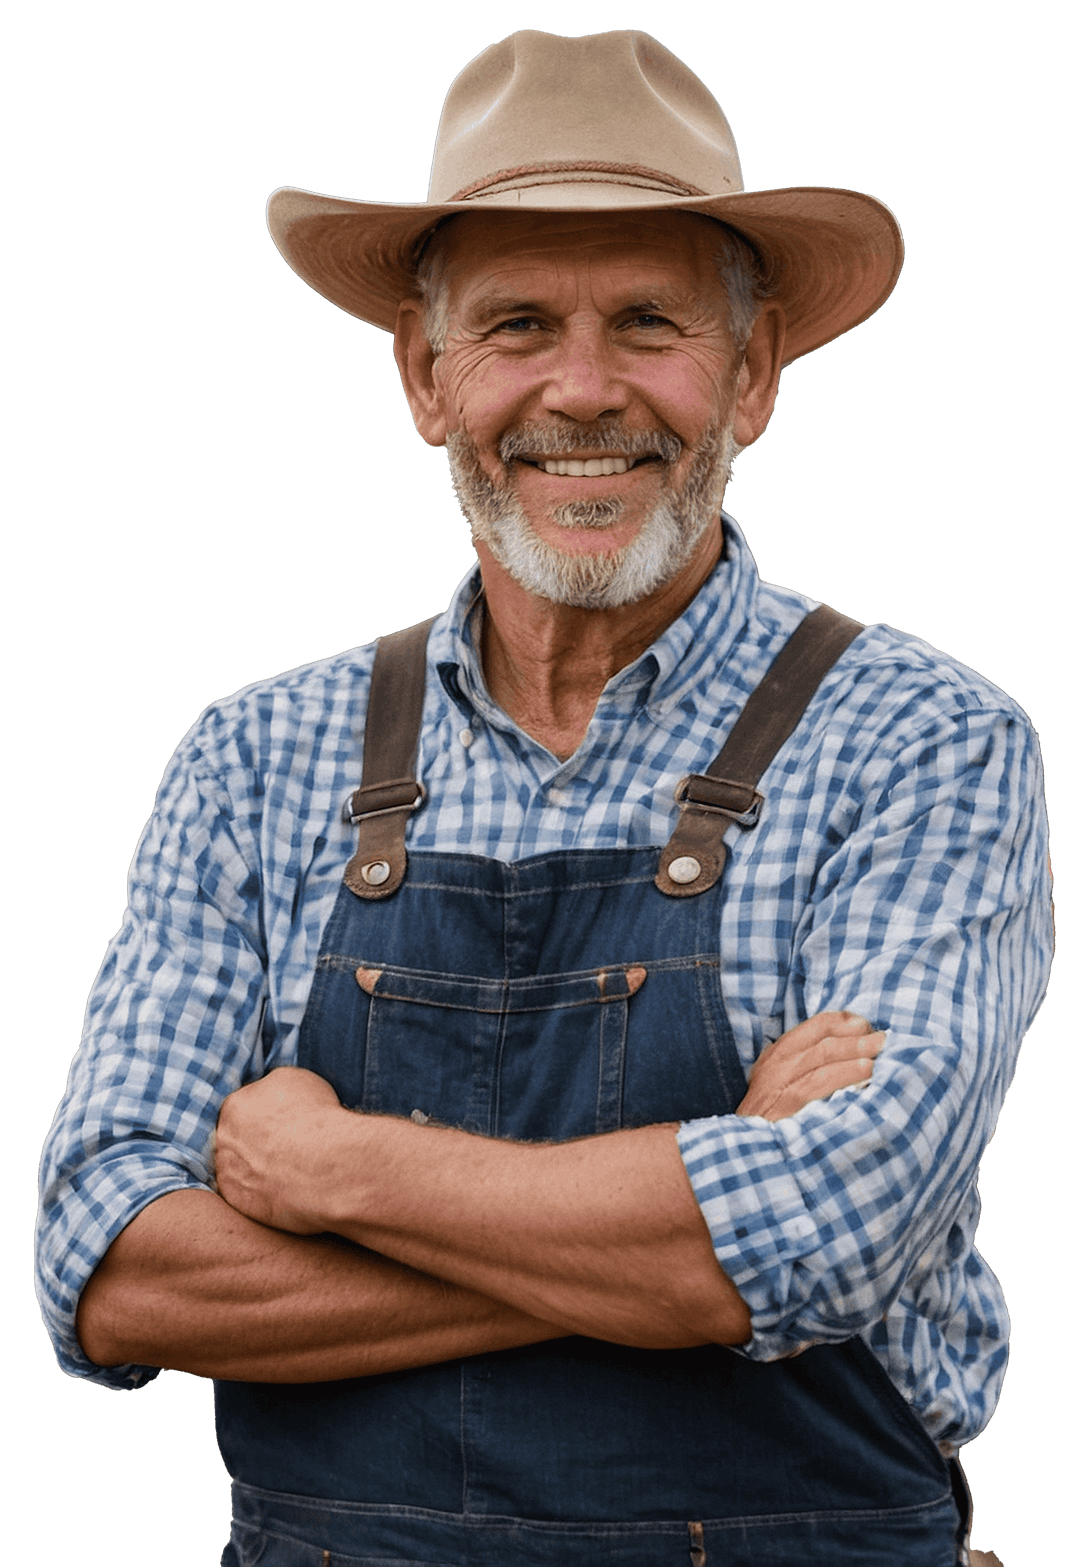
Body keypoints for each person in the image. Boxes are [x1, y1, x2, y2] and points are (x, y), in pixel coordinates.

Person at [36, 28, 1047, 1567]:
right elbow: (107, 1269)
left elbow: (831, 1232)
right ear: (425, 377)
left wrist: (338, 1171)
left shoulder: (924, 737)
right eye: (515, 325)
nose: (583, 390)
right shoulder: (254, 759)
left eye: (649, 321)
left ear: (751, 373)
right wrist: (689, 1218)